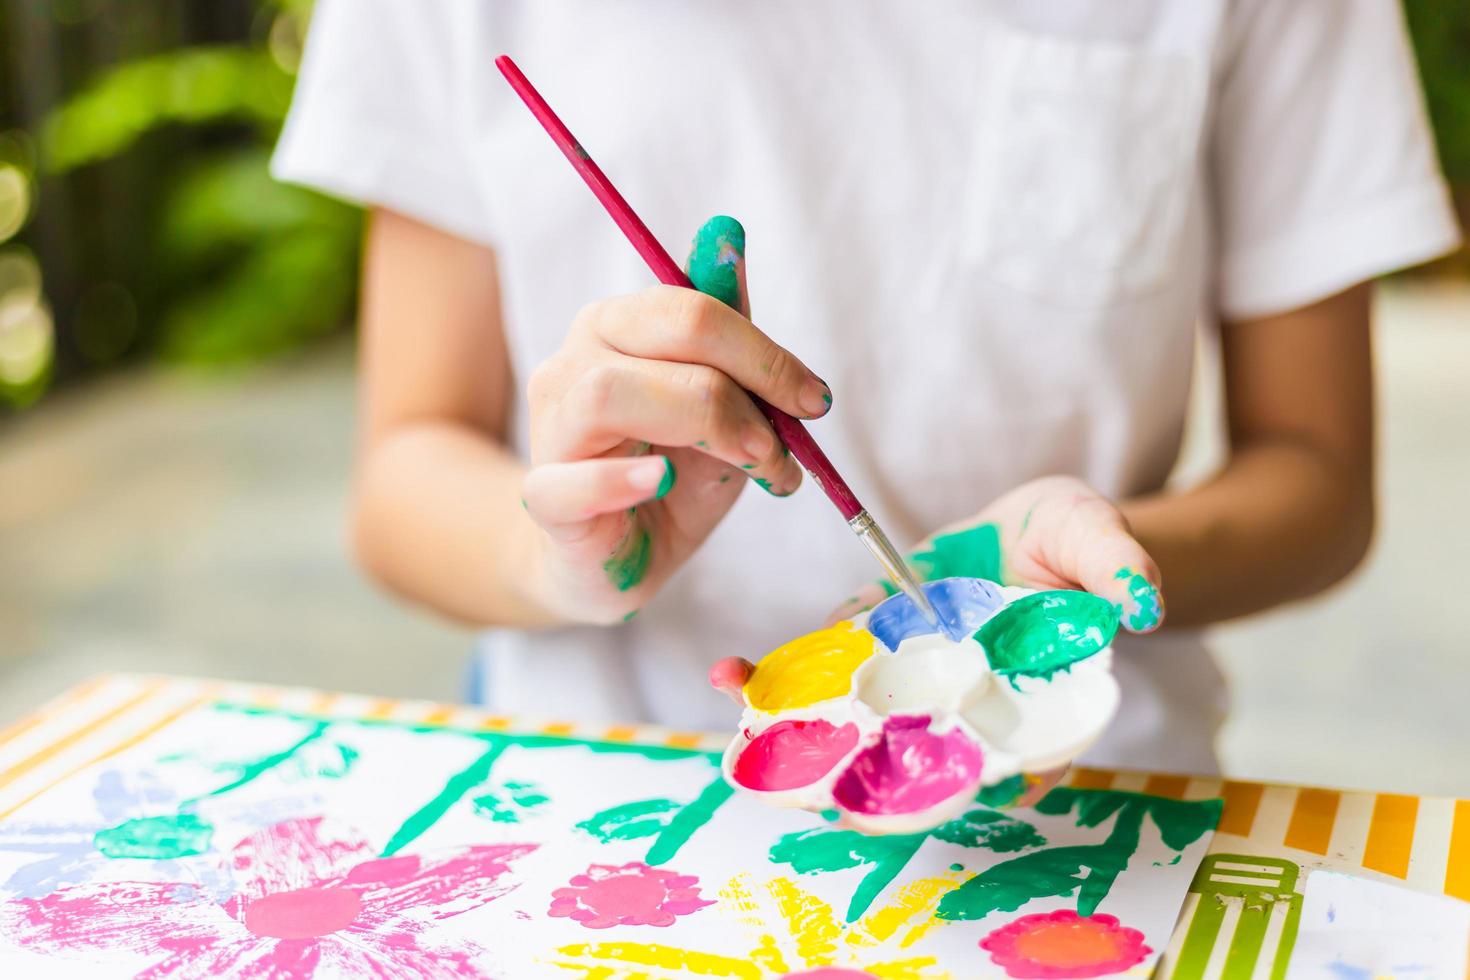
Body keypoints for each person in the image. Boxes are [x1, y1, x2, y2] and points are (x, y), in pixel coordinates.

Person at [272, 0, 1460, 774]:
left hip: (1079, 799)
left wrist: (1090, 559)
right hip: (598, 788)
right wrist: (558, 554)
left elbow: (1319, 477)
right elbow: (403, 467)